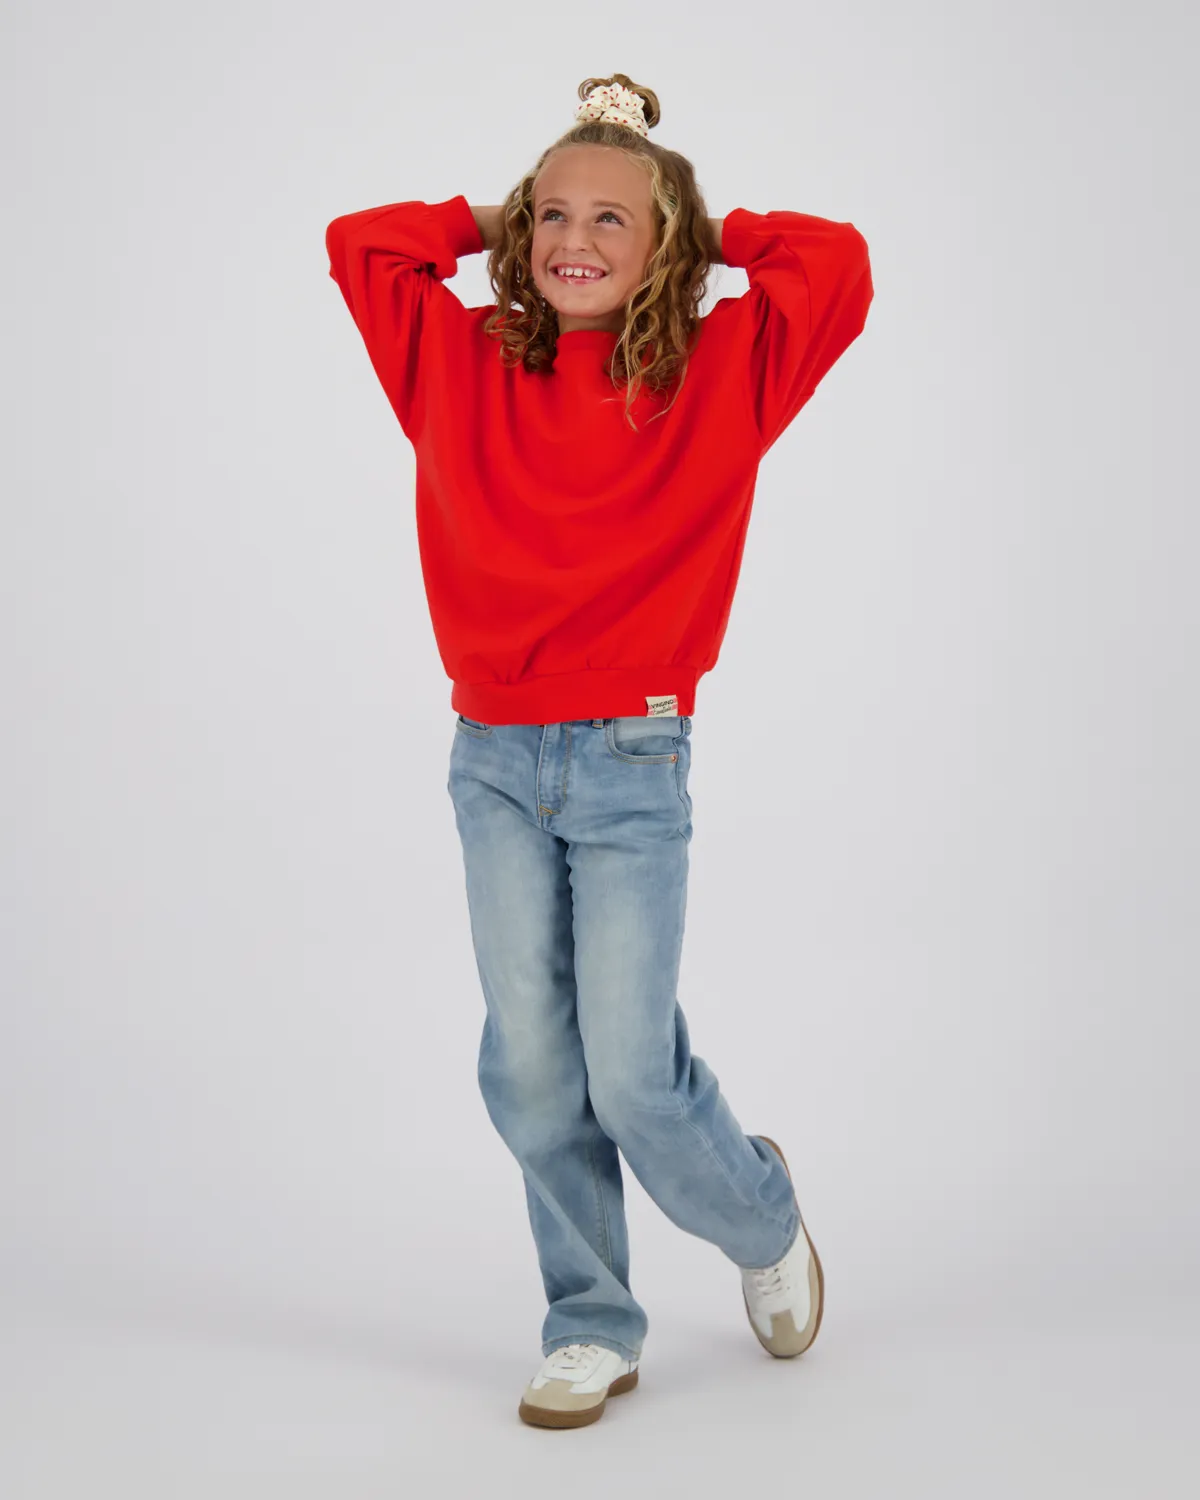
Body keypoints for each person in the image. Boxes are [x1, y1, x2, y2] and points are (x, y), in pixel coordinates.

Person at [325, 73, 873, 1429]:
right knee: (530, 1064)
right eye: (552, 216)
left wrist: (699, 219)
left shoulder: (723, 371)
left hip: (633, 759)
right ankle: (589, 1321)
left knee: (631, 1078)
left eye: (611, 220)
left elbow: (836, 263)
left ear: (665, 244)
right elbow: (361, 244)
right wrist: (493, 214)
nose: (572, 239)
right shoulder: (455, 360)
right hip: (494, 758)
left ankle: (761, 1214)